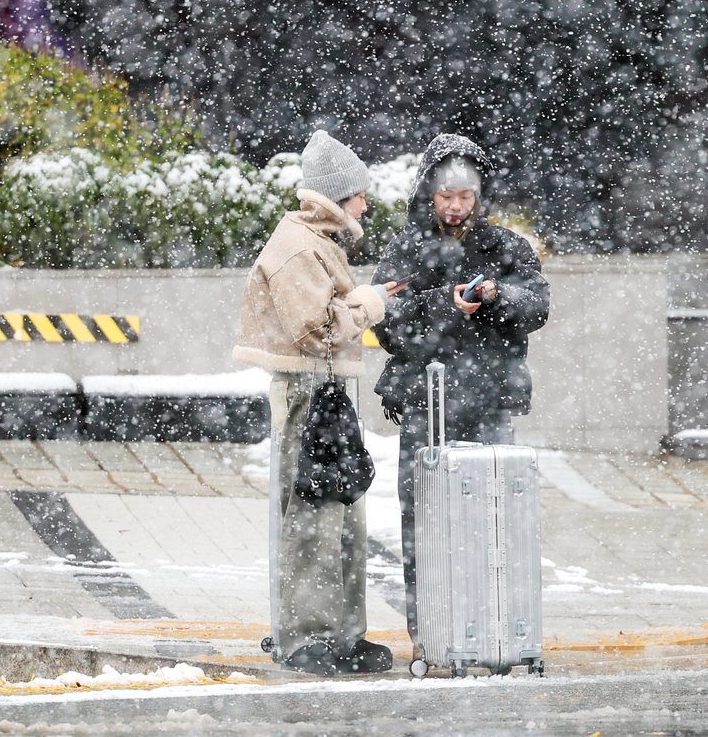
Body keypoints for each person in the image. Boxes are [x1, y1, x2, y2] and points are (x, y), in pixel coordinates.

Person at [233, 129, 406, 676]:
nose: (365, 203)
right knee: (313, 516)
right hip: (308, 394)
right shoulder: (297, 247)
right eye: (358, 193)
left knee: (343, 511)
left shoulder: (318, 241)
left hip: (326, 392)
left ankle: (342, 635)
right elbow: (316, 332)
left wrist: (360, 302)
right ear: (335, 194)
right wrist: (369, 304)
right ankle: (305, 636)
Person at [371, 133, 551, 649]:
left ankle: (491, 628)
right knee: (423, 520)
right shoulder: (406, 249)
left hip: (490, 401)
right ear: (429, 194)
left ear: (480, 196)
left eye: (465, 196)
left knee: (493, 519)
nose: (454, 207)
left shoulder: (506, 247)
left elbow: (537, 305)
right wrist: (444, 306)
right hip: (426, 403)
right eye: (446, 196)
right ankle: (429, 631)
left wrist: (499, 295)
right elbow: (387, 325)